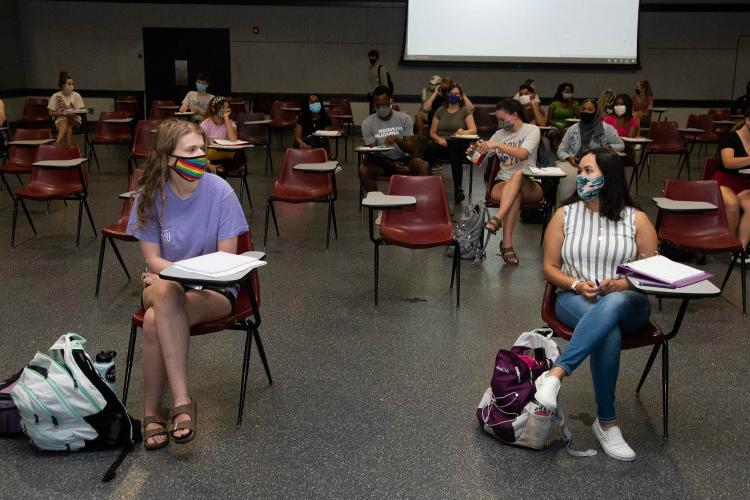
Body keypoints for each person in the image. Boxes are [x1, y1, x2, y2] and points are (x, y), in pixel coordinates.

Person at [126, 118, 249, 450]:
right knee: (166, 291)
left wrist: (174, 273)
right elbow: (151, 258)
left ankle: (152, 412)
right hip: (165, 284)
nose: (199, 155)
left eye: (201, 148)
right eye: (190, 150)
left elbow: (225, 260)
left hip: (214, 289)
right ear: (168, 157)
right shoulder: (150, 195)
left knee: (154, 318)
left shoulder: (220, 192)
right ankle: (181, 401)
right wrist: (171, 276)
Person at [537, 148, 658, 462]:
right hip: (574, 298)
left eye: (589, 171)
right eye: (581, 171)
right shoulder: (565, 215)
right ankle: (607, 422)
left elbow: (652, 272)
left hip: (630, 302)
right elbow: (550, 268)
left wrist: (617, 285)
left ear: (610, 175)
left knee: (614, 303)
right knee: (607, 332)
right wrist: (577, 284)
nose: (581, 177)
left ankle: (556, 374)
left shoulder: (638, 219)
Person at [479, 98, 542, 265]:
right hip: (503, 183)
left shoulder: (532, 130)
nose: (500, 123)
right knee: (514, 194)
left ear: (514, 115)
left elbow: (522, 154)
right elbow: (479, 158)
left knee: (518, 174)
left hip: (530, 183)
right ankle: (507, 245)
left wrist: (498, 145)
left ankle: (497, 218)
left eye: (502, 119)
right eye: (497, 120)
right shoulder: (499, 135)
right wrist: (476, 151)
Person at [359, 85, 429, 193]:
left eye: (384, 104)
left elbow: (411, 149)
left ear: (390, 101)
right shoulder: (367, 124)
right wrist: (392, 165)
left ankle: (423, 204)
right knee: (363, 171)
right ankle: (377, 207)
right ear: (373, 105)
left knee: (422, 165)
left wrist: (397, 140)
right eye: (378, 105)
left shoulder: (404, 119)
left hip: (405, 160)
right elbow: (374, 153)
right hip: (383, 163)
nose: (381, 108)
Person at [556, 98, 625, 204]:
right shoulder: (573, 129)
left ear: (596, 112)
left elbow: (621, 145)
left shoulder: (606, 128)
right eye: (584, 109)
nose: (586, 112)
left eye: (590, 110)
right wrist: (568, 157)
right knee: (568, 177)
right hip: (574, 162)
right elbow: (560, 150)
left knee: (597, 177)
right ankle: (566, 207)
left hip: (597, 162)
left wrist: (610, 147)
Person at [424, 83, 477, 202]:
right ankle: (425, 184)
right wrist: (439, 139)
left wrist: (463, 132)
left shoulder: (464, 111)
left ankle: (458, 189)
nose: (453, 96)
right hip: (443, 143)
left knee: (455, 151)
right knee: (429, 148)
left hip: (459, 143)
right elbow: (432, 132)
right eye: (451, 94)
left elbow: (473, 129)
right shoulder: (440, 110)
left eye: (456, 94)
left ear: (461, 96)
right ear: (447, 95)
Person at [714, 108, 750, 249]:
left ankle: (741, 248)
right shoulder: (730, 137)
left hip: (745, 183)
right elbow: (728, 162)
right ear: (748, 121)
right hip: (725, 181)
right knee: (732, 203)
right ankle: (731, 242)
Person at [200, 96, 238, 174]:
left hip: (227, 157)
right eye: (223, 107)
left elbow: (234, 140)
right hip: (210, 158)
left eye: (227, 107)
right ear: (214, 109)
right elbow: (202, 148)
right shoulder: (205, 124)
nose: (226, 110)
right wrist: (209, 165)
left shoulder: (230, 123)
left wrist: (227, 119)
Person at [48, 71, 85, 145]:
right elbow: (50, 113)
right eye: (69, 84)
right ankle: (69, 151)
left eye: (72, 84)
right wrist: (63, 113)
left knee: (66, 119)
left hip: (75, 120)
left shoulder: (76, 95)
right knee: (68, 128)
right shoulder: (56, 96)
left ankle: (57, 144)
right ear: (63, 85)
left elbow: (81, 112)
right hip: (60, 121)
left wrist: (66, 107)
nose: (72, 86)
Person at [367, 49, 392, 114]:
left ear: (377, 57)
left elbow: (385, 84)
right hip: (371, 95)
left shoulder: (381, 68)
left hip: (379, 96)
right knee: (372, 115)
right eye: (370, 56)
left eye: (373, 56)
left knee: (379, 114)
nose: (372, 58)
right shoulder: (370, 68)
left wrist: (385, 97)